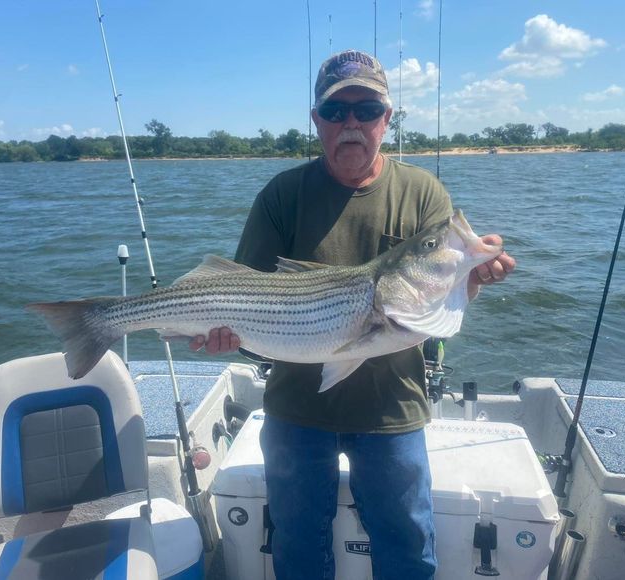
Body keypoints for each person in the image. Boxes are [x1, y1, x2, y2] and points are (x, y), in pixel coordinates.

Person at [190, 49, 516, 580]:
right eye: (337, 112)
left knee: (408, 543)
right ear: (316, 120)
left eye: (367, 111)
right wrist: (226, 337)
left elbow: (435, 294)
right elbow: (245, 298)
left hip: (393, 408)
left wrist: (469, 278)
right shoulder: (282, 195)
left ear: (387, 120)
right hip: (297, 409)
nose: (351, 124)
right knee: (296, 547)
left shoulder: (422, 192)